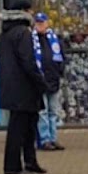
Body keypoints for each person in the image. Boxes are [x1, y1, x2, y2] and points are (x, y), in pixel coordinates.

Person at [0, 0, 48, 174]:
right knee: (20, 128)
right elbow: (28, 61)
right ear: (24, 12)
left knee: (26, 126)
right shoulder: (23, 33)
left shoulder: (5, 33)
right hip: (24, 87)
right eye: (30, 10)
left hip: (13, 86)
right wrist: (40, 82)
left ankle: (30, 161)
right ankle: (14, 166)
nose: (33, 13)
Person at [33, 12, 65, 152]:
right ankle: (44, 139)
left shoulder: (54, 39)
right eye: (38, 23)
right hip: (40, 81)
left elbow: (61, 56)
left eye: (42, 22)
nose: (40, 25)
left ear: (47, 23)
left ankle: (53, 138)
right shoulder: (31, 39)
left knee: (53, 112)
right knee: (43, 112)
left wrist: (60, 71)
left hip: (53, 80)